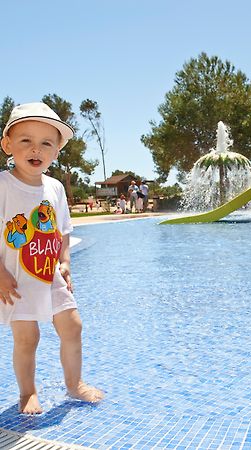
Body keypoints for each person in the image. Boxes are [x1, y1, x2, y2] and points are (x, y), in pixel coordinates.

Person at [0, 102, 104, 414]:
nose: (36, 149)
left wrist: (66, 262)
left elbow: (62, 232)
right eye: (25, 141)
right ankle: (27, 392)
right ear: (7, 145)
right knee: (27, 337)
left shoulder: (55, 188)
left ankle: (74, 384)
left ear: (57, 150)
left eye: (46, 142)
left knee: (73, 326)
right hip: (15, 278)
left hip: (50, 274)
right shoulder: (3, 185)